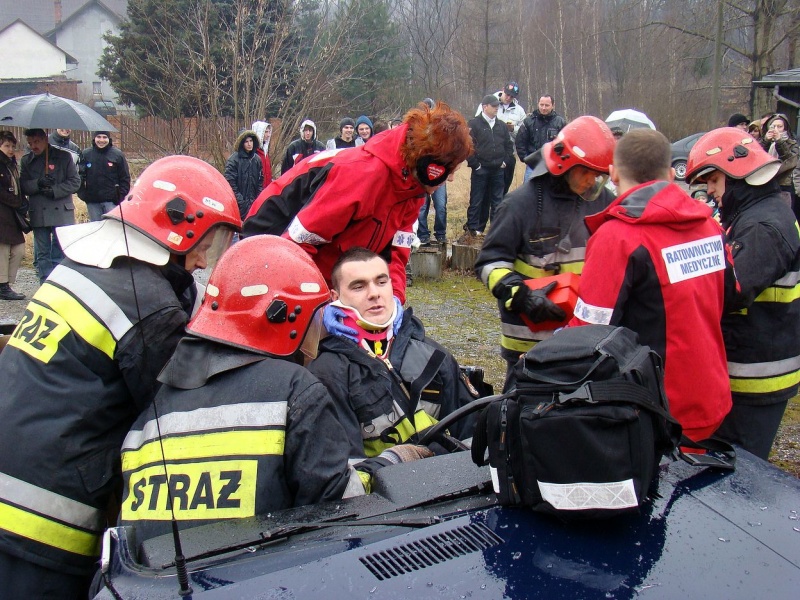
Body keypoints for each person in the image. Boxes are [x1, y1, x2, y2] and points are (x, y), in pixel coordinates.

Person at [0, 155, 242, 598]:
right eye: (207, 242)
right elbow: (173, 410)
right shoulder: (148, 307)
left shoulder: (82, 264)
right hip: (42, 517)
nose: (205, 261)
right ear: (178, 226)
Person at [119, 236, 431, 540]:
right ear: (285, 318)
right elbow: (337, 506)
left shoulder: (156, 404)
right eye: (313, 318)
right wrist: (392, 461)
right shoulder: (294, 390)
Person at [568, 129, 730, 442]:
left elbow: (586, 332)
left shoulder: (619, 237)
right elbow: (730, 293)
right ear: (671, 175)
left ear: (613, 174)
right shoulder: (709, 225)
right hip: (711, 396)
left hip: (653, 412)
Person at [243, 100, 472, 304]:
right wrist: (323, 306)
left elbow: (394, 256)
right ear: (429, 165)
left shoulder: (412, 193)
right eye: (450, 170)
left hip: (322, 264)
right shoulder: (362, 177)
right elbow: (297, 246)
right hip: (267, 239)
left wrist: (392, 304)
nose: (450, 178)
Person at [475, 116, 616, 388]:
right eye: (586, 172)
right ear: (565, 164)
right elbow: (489, 263)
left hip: (583, 344)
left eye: (598, 175)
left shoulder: (602, 203)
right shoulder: (519, 205)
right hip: (528, 347)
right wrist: (521, 296)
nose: (592, 181)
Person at [686, 127, 800, 460]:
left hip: (757, 377)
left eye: (713, 182)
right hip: (749, 366)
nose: (710, 192)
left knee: (740, 476)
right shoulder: (756, 215)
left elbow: (732, 289)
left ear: (737, 175)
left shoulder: (765, 226)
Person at [308, 248, 479, 460]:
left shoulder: (433, 354)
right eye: (358, 286)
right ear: (335, 297)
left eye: (381, 282)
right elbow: (345, 477)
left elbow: (474, 437)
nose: (374, 293)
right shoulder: (327, 374)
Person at [19, 128, 81, 283]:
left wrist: (55, 190)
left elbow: (75, 182)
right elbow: (23, 186)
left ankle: (59, 282)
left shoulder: (64, 157)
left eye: (37, 142)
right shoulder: (27, 160)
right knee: (42, 252)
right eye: (30, 143)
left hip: (60, 209)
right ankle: (45, 282)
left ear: (45, 139)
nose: (34, 146)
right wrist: (38, 184)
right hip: (39, 210)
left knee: (60, 250)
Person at [464, 94, 514, 237]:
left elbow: (508, 146)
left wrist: (505, 161)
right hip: (481, 169)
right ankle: (472, 230)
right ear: (485, 107)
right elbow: (468, 147)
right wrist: (476, 165)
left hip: (498, 169)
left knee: (497, 201)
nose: (496, 108)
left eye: (497, 105)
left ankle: (495, 231)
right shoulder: (474, 124)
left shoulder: (501, 125)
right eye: (493, 106)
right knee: (477, 200)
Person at [476, 82, 526, 195]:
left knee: (503, 189)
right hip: (488, 154)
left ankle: (500, 211)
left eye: (512, 96)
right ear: (503, 90)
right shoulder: (487, 103)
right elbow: (477, 124)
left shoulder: (519, 111)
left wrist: (513, 129)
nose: (508, 98)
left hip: (507, 153)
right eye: (507, 94)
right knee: (486, 190)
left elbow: (523, 134)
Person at [77, 131, 131, 221]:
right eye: (99, 137)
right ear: (94, 138)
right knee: (96, 229)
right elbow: (80, 176)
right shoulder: (86, 154)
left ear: (109, 139)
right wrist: (83, 195)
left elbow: (125, 178)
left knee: (112, 229)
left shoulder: (117, 155)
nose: (101, 140)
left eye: (104, 137)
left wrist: (119, 196)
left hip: (111, 202)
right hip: (92, 202)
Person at [516, 95, 567, 182]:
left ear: (553, 106)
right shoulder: (529, 121)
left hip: (553, 164)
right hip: (533, 164)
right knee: (528, 192)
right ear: (538, 104)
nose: (543, 108)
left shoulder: (560, 122)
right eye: (541, 105)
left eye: (546, 105)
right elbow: (520, 141)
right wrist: (526, 158)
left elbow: (566, 143)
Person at [0, 131, 26, 301]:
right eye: (6, 146)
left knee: (18, 248)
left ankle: (7, 283)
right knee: (3, 249)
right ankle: (3, 286)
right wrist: (16, 201)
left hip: (12, 213)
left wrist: (22, 201)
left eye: (12, 146)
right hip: (3, 211)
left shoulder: (12, 164)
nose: (10, 149)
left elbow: (17, 186)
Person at [759, 113, 799, 213]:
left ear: (785, 128)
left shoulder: (792, 144)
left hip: (784, 184)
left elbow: (789, 160)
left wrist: (779, 142)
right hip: (766, 182)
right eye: (773, 126)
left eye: (779, 126)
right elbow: (758, 157)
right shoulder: (763, 141)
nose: (776, 129)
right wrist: (765, 141)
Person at [225, 128, 265, 221]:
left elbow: (260, 180)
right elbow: (230, 182)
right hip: (239, 205)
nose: (249, 144)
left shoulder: (257, 159)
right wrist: (241, 201)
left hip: (254, 204)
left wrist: (258, 198)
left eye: (251, 141)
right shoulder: (234, 160)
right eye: (246, 141)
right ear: (241, 143)